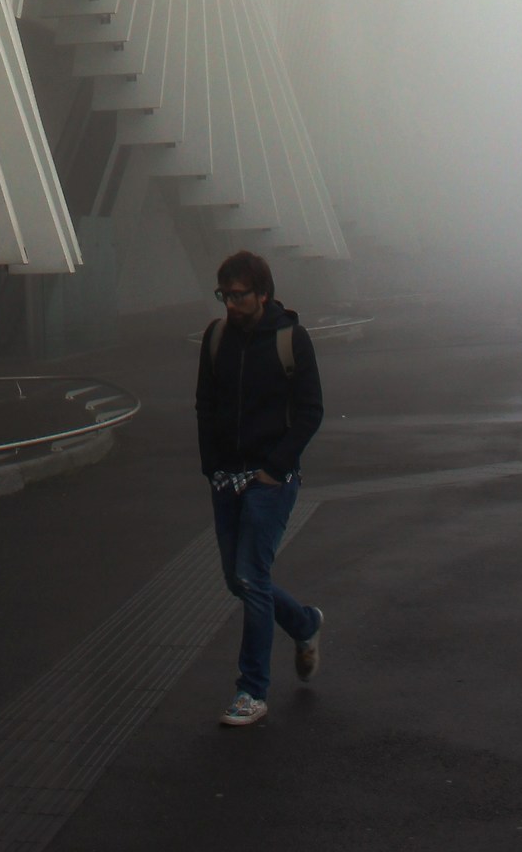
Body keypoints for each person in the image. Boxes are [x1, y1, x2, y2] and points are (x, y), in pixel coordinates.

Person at [196, 248, 325, 727]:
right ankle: (304, 623)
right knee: (239, 580)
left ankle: (252, 690)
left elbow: (311, 410)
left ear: (263, 293)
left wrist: (274, 467)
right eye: (224, 295)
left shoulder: (291, 339)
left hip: (270, 479)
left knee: (251, 577)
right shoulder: (216, 338)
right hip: (226, 477)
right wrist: (211, 465)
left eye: (239, 295)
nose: (231, 304)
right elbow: (205, 404)